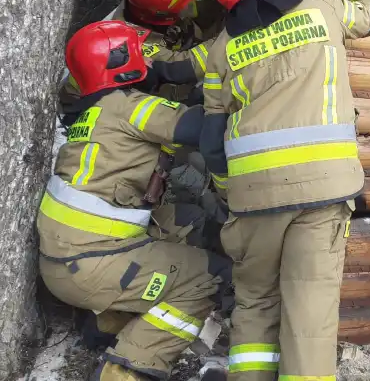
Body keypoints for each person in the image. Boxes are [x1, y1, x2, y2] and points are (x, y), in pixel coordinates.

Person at [196, 0, 370, 380]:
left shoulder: (221, 49)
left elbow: (211, 141)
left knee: (256, 307)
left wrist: (230, 194)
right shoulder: (323, 12)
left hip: (252, 203)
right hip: (322, 198)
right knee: (309, 317)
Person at [38, 20, 231, 381]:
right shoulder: (125, 106)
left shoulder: (91, 111)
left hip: (68, 260)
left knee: (189, 221)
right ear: (120, 61)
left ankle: (107, 321)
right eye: (139, 50)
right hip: (93, 263)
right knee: (211, 276)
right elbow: (198, 128)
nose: (147, 55)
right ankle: (127, 369)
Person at [60, 0, 218, 107]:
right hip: (139, 100)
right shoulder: (131, 44)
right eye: (189, 2)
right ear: (164, 15)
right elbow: (182, 67)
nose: (195, 2)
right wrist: (231, 37)